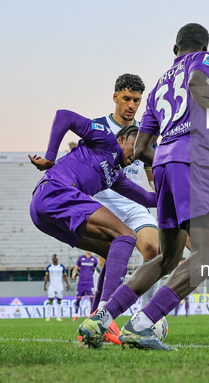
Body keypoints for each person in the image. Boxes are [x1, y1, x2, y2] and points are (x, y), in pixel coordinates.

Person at [78, 23, 209, 351]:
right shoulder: (206, 61)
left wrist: (168, 158)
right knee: (207, 254)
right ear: (203, 47)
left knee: (167, 259)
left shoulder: (157, 87)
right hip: (193, 159)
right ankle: (143, 323)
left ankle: (101, 317)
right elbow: (196, 83)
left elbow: (139, 151)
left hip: (164, 164)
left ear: (174, 48)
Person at [28, 106, 156, 325]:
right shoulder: (106, 139)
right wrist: (50, 157)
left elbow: (147, 198)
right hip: (55, 190)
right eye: (135, 147)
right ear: (122, 138)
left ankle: (95, 318)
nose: (137, 156)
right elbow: (63, 116)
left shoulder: (115, 175)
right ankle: (106, 315)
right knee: (126, 235)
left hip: (45, 214)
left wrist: (180, 192)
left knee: (111, 248)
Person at [90, 74, 161, 315]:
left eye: (137, 100)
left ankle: (148, 316)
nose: (131, 105)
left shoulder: (145, 134)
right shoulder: (98, 126)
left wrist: (164, 187)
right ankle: (98, 314)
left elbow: (151, 174)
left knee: (153, 248)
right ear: (115, 97)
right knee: (108, 260)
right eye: (126, 98)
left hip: (133, 203)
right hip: (103, 202)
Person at [71, 250, 98, 321]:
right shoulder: (81, 259)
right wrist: (73, 273)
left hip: (90, 281)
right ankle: (76, 315)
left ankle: (92, 315)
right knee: (78, 298)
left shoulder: (94, 260)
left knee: (92, 298)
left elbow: (97, 270)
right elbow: (76, 268)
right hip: (81, 281)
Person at [44, 254, 70, 321]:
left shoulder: (61, 267)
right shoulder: (49, 267)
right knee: (50, 300)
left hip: (59, 286)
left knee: (59, 300)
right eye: (54, 258)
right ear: (52, 259)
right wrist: (45, 285)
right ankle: (48, 316)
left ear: (57, 259)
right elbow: (46, 276)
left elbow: (65, 276)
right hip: (52, 286)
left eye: (56, 258)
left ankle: (58, 316)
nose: (55, 259)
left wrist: (67, 284)